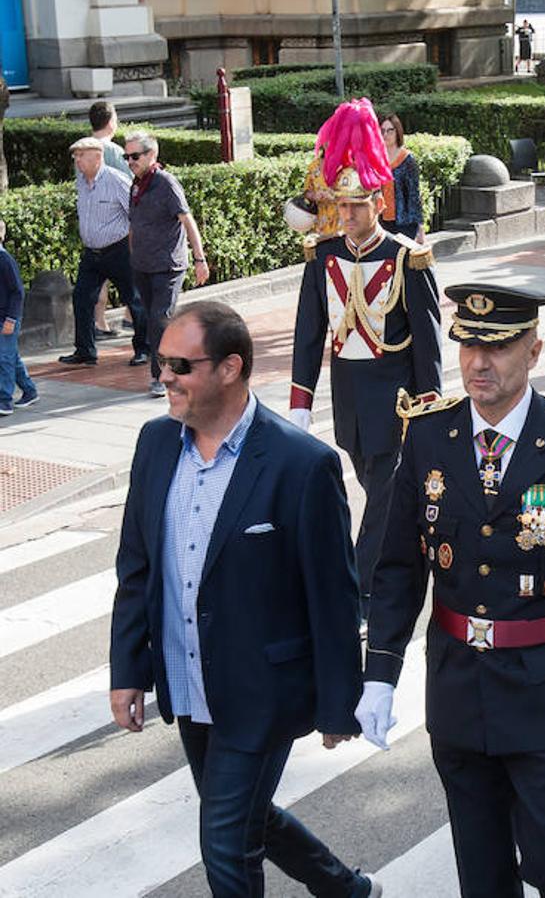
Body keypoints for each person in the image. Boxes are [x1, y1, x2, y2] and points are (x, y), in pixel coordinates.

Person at [358, 284, 545, 897]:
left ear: (534, 350)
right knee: (481, 871)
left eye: (498, 347)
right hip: (460, 687)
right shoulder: (428, 435)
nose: (477, 363)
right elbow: (397, 568)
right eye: (467, 345)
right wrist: (381, 670)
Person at [109, 301, 377, 898]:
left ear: (230, 368)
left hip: (262, 691)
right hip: (188, 680)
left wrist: (340, 702)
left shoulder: (301, 465)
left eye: (180, 365)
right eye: (161, 362)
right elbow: (137, 568)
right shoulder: (155, 445)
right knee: (244, 815)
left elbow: (333, 596)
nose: (165, 377)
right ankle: (346, 889)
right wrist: (129, 671)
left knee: (226, 842)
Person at [289, 100, 444, 621]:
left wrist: (431, 405)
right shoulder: (323, 256)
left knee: (381, 497)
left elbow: (427, 337)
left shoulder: (406, 256)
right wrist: (299, 402)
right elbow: (308, 333)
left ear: (379, 202)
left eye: (358, 205)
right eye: (342, 205)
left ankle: (357, 596)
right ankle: (406, 560)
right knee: (378, 491)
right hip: (349, 399)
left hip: (397, 401)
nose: (349, 214)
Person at [124, 131, 210, 398]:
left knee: (160, 320)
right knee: (153, 321)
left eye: (135, 156)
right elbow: (133, 224)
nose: (130, 161)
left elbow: (187, 220)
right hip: (142, 264)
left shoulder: (166, 183)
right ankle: (181, 361)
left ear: (152, 155)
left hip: (168, 266)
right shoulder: (136, 184)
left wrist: (199, 258)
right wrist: (132, 252)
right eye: (126, 156)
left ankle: (159, 376)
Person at [60, 136, 148, 368]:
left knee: (134, 299)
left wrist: (134, 248)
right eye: (75, 156)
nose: (77, 160)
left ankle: (144, 349)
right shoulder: (81, 180)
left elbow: (135, 214)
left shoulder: (116, 180)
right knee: (81, 298)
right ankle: (85, 351)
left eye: (81, 155)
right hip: (92, 252)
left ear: (97, 157)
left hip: (118, 250)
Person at [88, 100, 130, 341]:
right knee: (130, 272)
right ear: (111, 121)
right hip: (116, 224)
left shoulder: (82, 149)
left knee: (99, 276)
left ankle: (99, 322)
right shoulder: (112, 151)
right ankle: (132, 317)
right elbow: (129, 183)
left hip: (94, 223)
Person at [0, 220, 38, 416]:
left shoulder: (5, 260)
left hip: (7, 318)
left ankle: (4, 400)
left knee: (3, 358)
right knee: (10, 357)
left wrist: (11, 319)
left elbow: (17, 292)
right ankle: (30, 390)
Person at [379, 113, 424, 242]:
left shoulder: (407, 159)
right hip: (382, 221)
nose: (386, 135)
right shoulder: (377, 159)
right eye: (382, 131)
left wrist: (420, 229)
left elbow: (414, 195)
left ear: (397, 131)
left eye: (390, 130)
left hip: (405, 221)